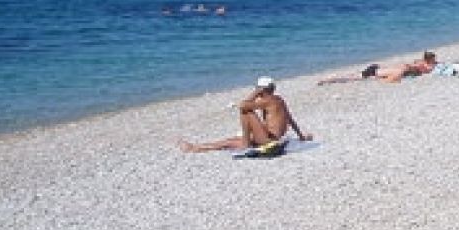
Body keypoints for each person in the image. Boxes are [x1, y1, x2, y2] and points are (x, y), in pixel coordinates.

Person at [179, 76, 311, 153]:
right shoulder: (279, 99)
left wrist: (255, 93)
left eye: (258, 88)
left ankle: (245, 143)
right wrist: (301, 136)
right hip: (272, 137)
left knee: (245, 111)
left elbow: (243, 105)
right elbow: (290, 119)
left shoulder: (266, 101)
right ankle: (196, 147)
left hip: (269, 140)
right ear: (273, 88)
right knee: (229, 141)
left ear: (262, 89)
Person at [318, 51, 438, 85]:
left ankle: (329, 79)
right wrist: (394, 81)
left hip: (377, 68)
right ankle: (328, 79)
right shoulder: (408, 68)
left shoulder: (418, 63)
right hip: (374, 72)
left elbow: (424, 67)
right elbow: (391, 80)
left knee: (351, 76)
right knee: (351, 78)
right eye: (433, 60)